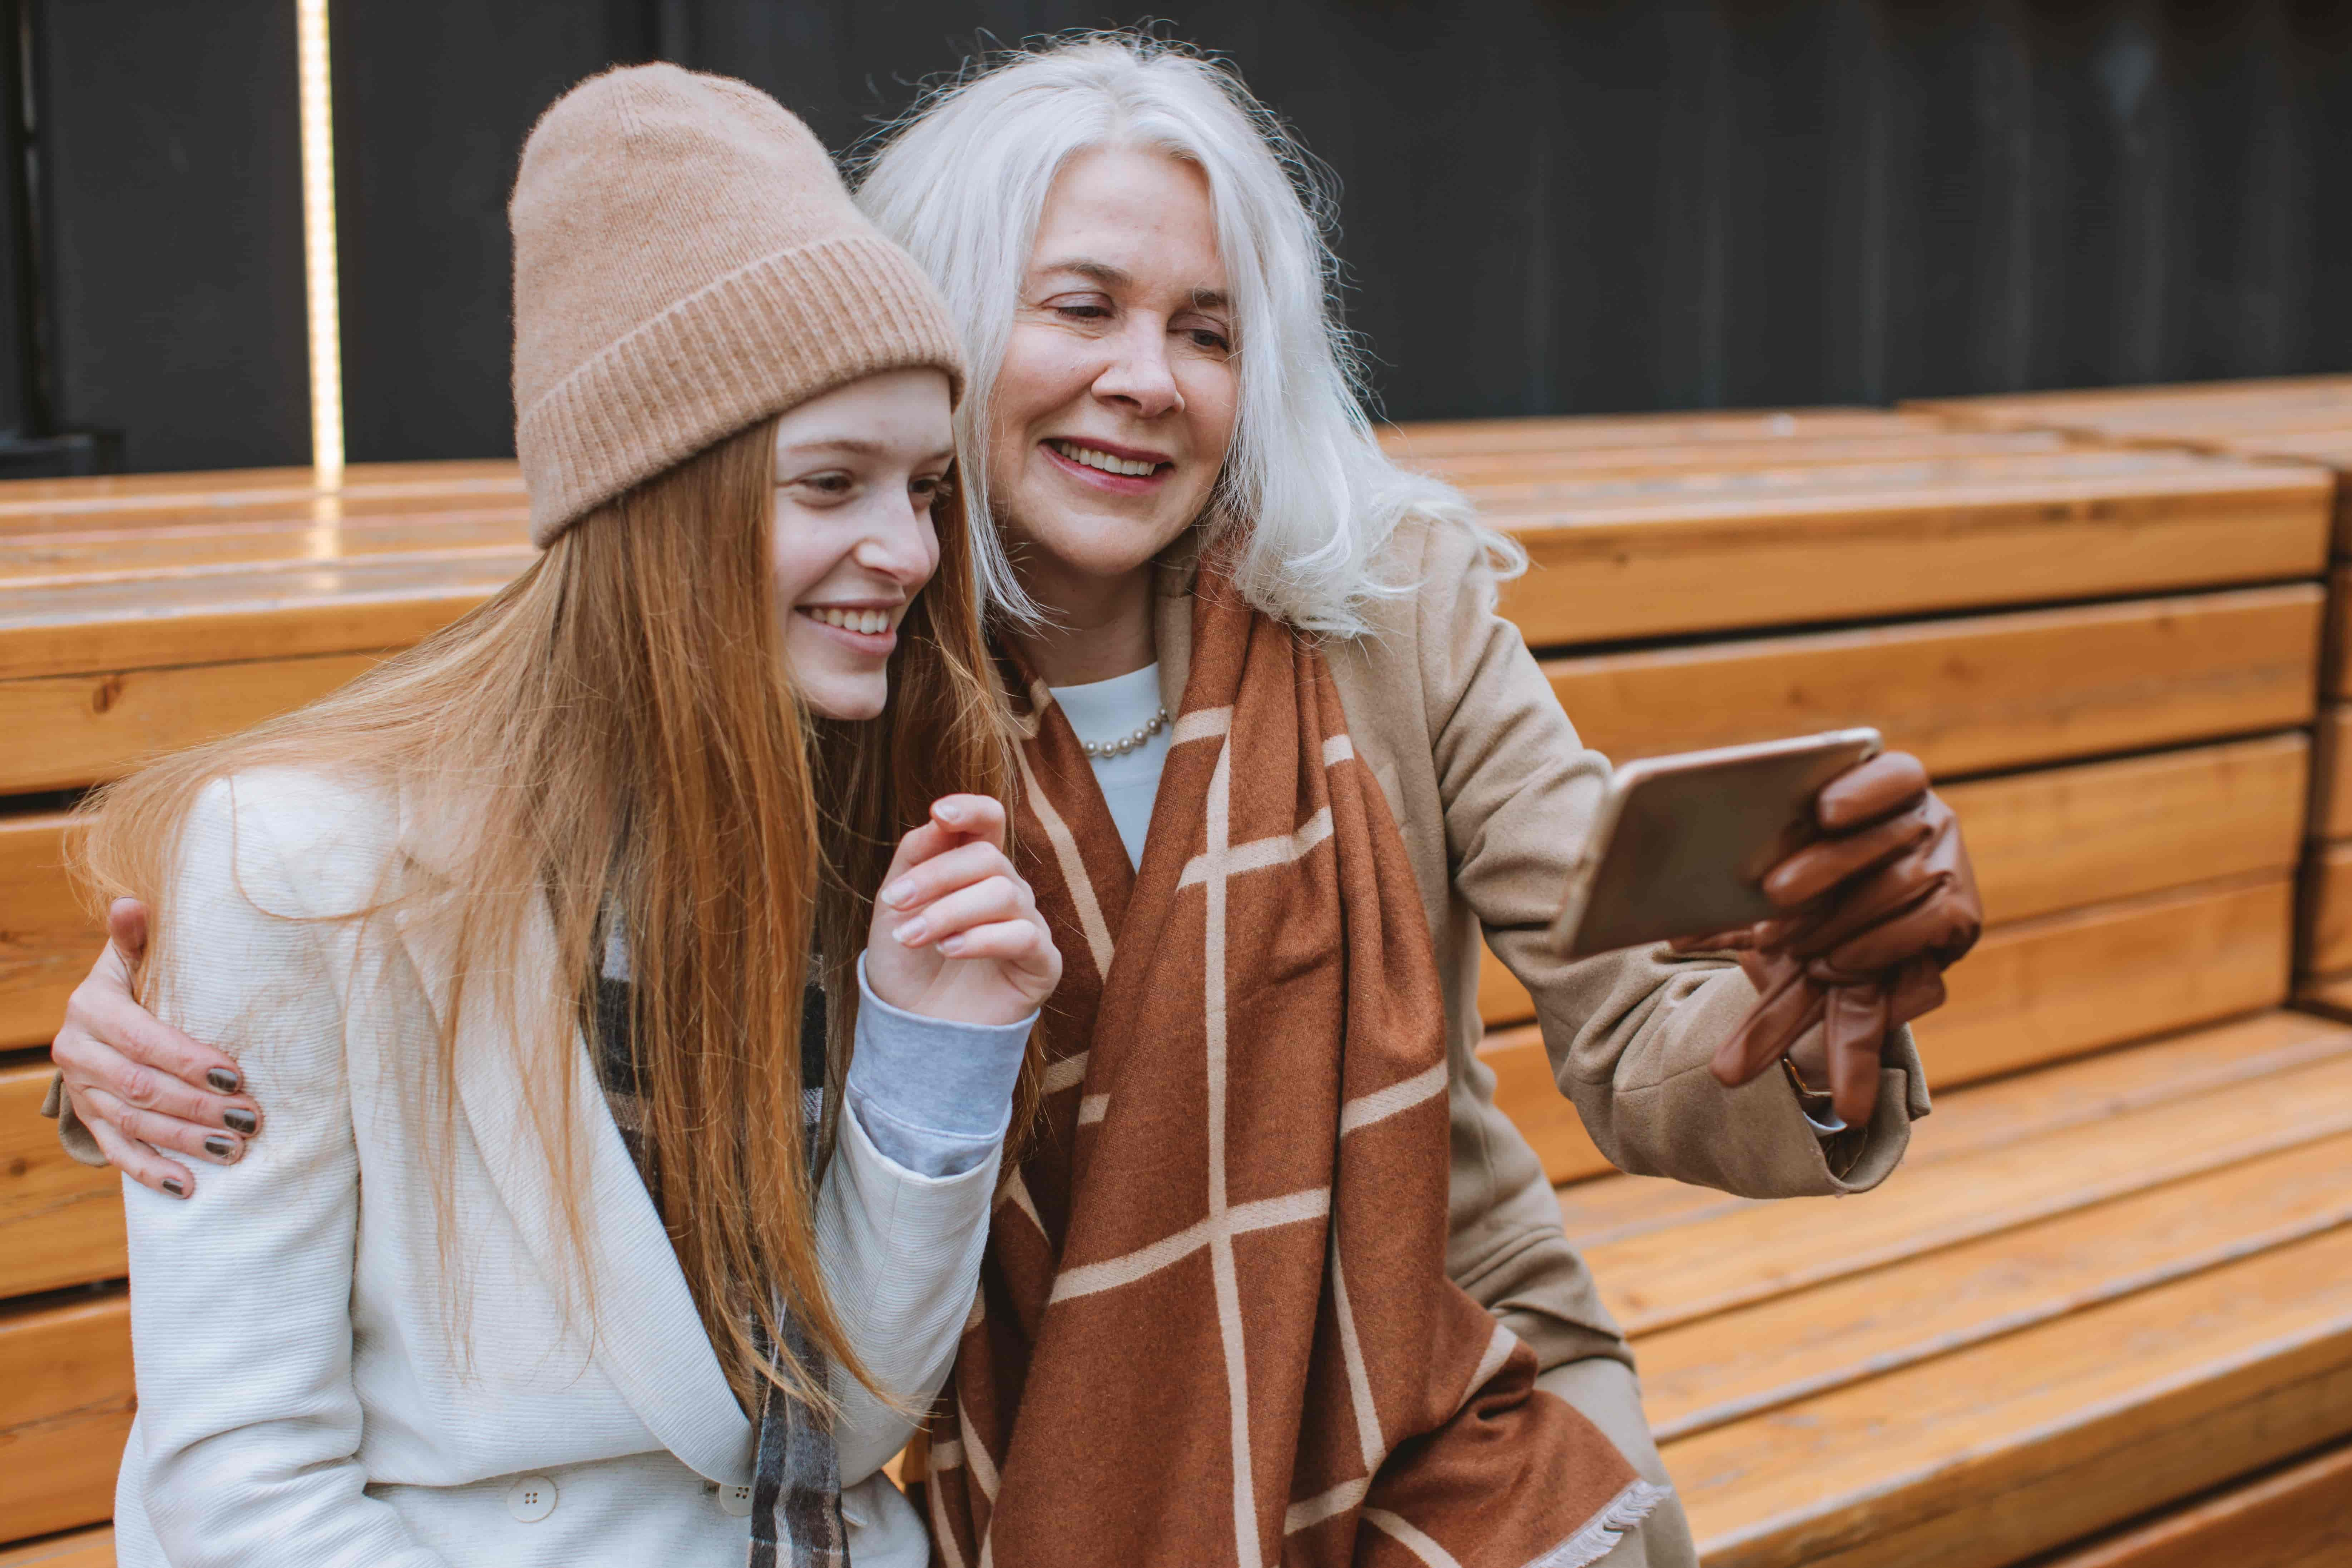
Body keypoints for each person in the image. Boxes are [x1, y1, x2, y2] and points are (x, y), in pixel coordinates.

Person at [50, 33, 1981, 1568]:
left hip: (1421, 1390)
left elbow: (1639, 1017)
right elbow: (508, 913)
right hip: (989, 1439)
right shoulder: (829, 686)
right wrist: (152, 1053)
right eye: (1081, 309)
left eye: (1207, 331)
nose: (1145, 380)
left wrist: (1807, 1039)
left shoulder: (1386, 616)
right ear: (943, 324)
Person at [56, 65, 1059, 1568]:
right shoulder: (302, 862)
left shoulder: (871, 806)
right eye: (831, 482)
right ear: (658, 502)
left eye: (921, 487)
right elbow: (241, 1490)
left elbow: (850, 1425)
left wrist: (932, 1054)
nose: (906, 549)